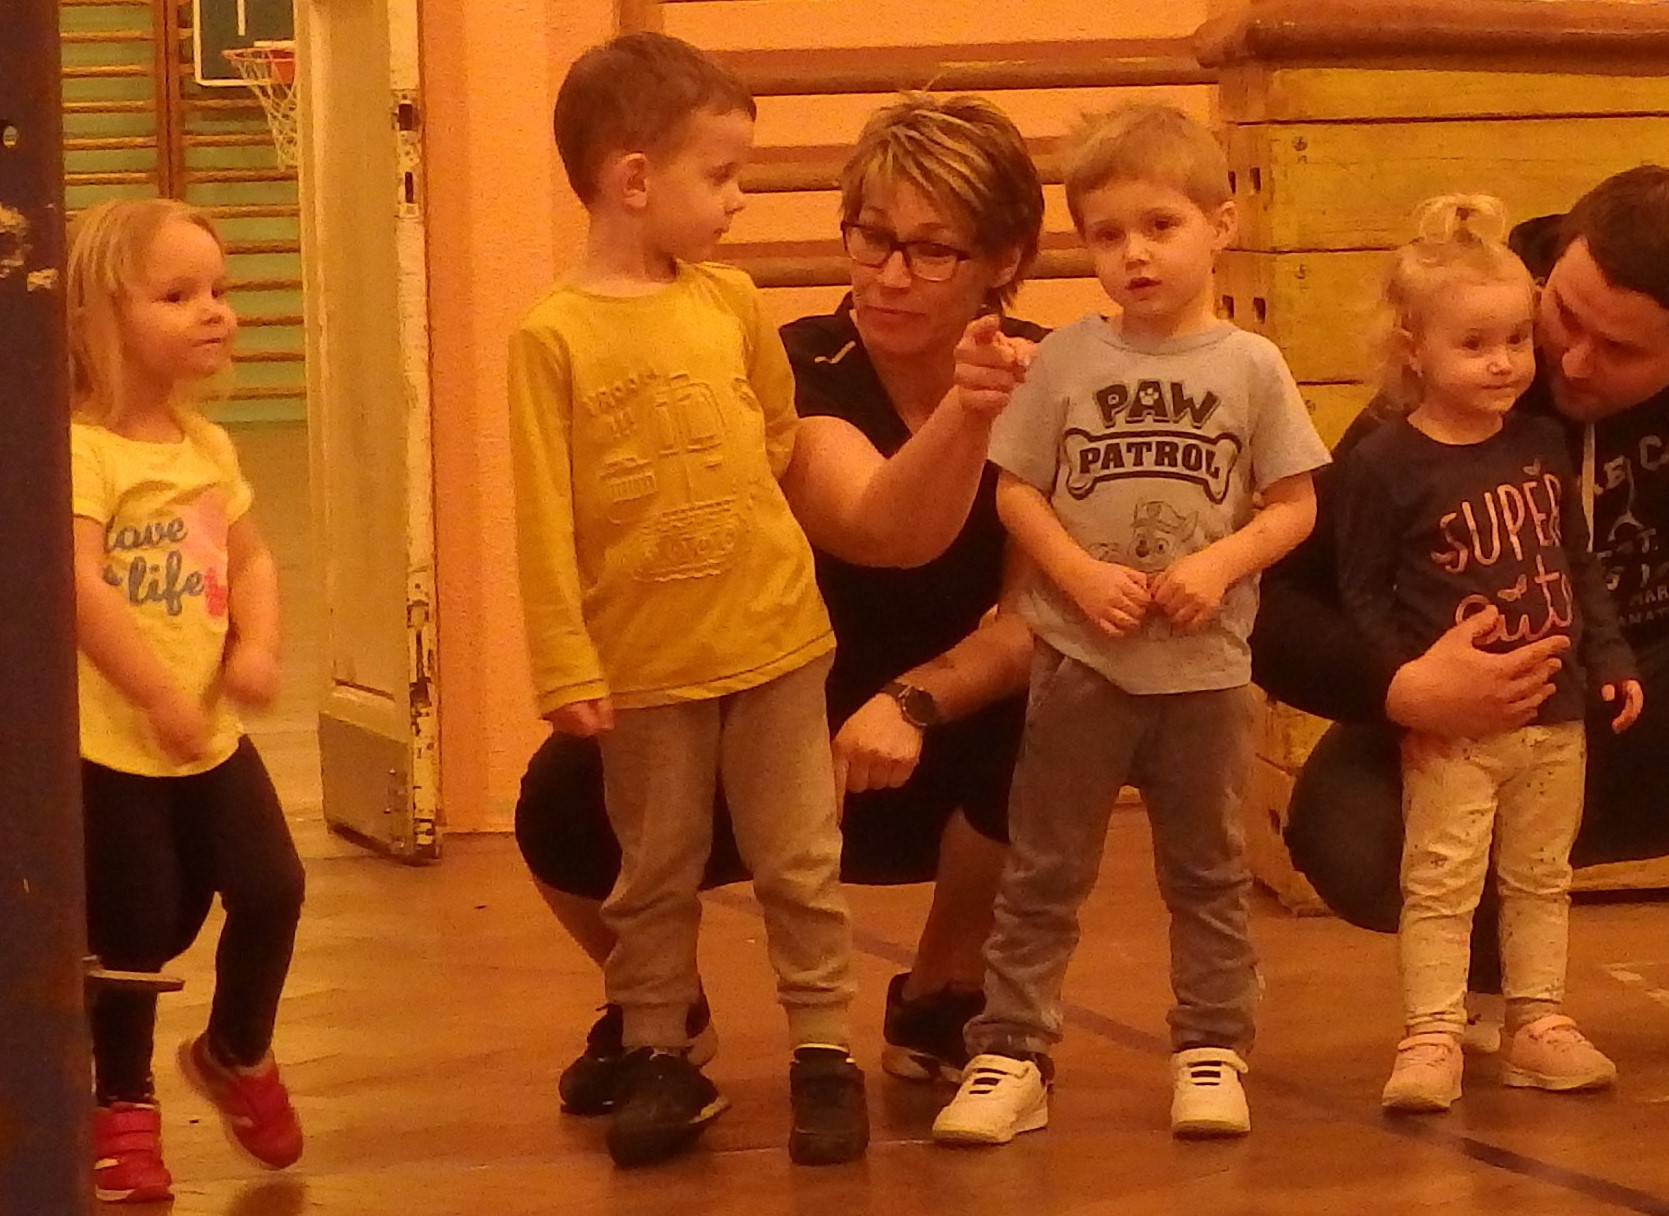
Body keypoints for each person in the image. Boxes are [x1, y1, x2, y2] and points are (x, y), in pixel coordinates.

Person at [1255, 165, 1669, 1073]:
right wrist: (1402, 688)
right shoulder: (1484, 336)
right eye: (1561, 315)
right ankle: (1489, 983)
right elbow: (1277, 603)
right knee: (1346, 835)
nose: (1567, 362)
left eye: (1619, 350)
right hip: (1491, 706)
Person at [509, 88, 1046, 1125]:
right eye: (870, 236)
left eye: (932, 250)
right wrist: (971, 411)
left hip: (923, 745)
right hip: (761, 726)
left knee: (1065, 711)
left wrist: (916, 699)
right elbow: (881, 526)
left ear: (1003, 261)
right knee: (562, 795)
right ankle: (661, 1007)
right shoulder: (796, 358)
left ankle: (942, 991)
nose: (889, 274)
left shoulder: (1048, 372)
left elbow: (1034, 619)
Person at [506, 33, 912, 1169]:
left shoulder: (730, 302)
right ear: (635, 180)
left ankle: (822, 1053)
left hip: (777, 640)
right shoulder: (552, 338)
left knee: (798, 858)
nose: (739, 200)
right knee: (655, 866)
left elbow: (771, 435)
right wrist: (565, 661)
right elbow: (543, 514)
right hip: (645, 664)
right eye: (721, 176)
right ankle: (657, 1049)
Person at [931, 102, 1331, 1147]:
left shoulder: (1251, 366)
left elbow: (1293, 506)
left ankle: (1212, 1046)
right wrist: (1074, 573)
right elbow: (1016, 489)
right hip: (1082, 664)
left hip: (1206, 670)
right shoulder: (1065, 358)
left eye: (1159, 225)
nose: (1134, 254)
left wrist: (1216, 563)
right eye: (1106, 234)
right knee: (1045, 869)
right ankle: (1011, 1050)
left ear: (1220, 225)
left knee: (1206, 873)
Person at [1333, 194, 1641, 1113]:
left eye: (1515, 339)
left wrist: (1610, 658)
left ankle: (1537, 1020)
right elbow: (1360, 594)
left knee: (1541, 877)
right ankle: (1431, 1031)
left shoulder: (1542, 443)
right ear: (1412, 351)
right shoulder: (1382, 464)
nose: (1503, 361)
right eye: (1473, 344)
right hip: (1454, 732)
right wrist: (1408, 689)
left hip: (1554, 715)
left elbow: (1576, 563)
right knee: (1441, 880)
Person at [66, 198, 308, 1203]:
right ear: (101, 316)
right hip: (112, 741)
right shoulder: (82, 450)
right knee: (134, 934)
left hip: (208, 736)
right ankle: (120, 1100)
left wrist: (258, 646)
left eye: (219, 289)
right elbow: (78, 587)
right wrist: (157, 691)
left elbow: (251, 560)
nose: (215, 311)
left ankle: (235, 1050)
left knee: (272, 887)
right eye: (177, 294)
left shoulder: (205, 446)